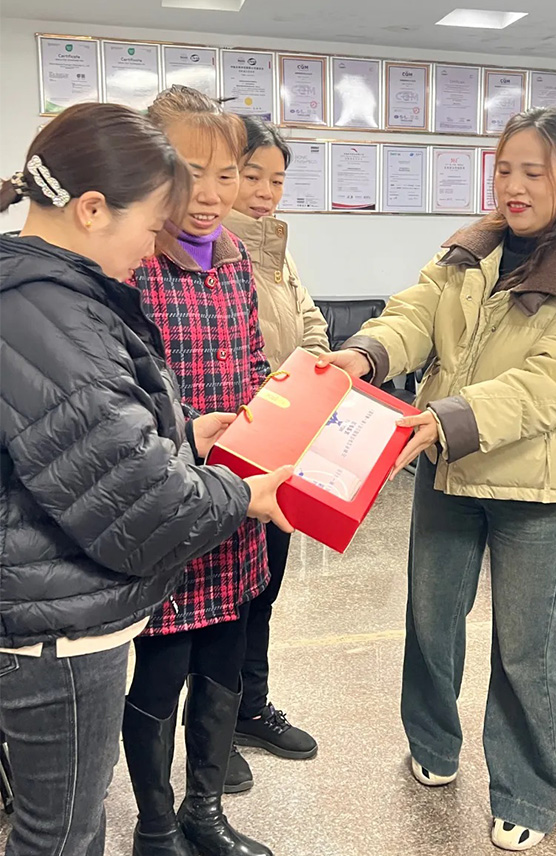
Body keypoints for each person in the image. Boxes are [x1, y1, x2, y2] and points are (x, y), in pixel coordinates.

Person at [318, 107, 556, 851]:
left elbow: (550, 385)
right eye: (504, 169)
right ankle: (432, 743)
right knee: (431, 619)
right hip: (449, 466)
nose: (514, 186)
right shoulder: (470, 250)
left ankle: (530, 791)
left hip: (532, 489)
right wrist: (365, 355)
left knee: (524, 647)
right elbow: (416, 314)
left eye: (533, 172)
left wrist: (444, 418)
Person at [0, 103, 291, 856]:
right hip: (59, 618)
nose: (155, 239)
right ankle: (158, 823)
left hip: (75, 579)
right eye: (153, 220)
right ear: (94, 209)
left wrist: (187, 432)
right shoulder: (51, 309)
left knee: (67, 821)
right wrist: (245, 494)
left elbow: (93, 430)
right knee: (61, 833)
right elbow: (134, 489)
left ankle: (201, 810)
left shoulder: (48, 291)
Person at [124, 86, 275, 856]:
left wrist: (279, 421)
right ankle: (155, 828)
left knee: (223, 665)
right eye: (192, 172)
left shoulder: (237, 261)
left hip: (236, 501)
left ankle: (204, 813)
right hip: (166, 505)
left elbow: (253, 362)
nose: (213, 194)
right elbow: (115, 395)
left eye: (227, 173)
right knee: (160, 669)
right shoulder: (134, 266)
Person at [222, 117, 327, 791]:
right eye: (250, 176)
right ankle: (207, 725)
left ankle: (248, 708)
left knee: (262, 588)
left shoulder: (276, 250)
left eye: (277, 180)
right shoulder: (212, 249)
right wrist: (282, 389)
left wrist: (304, 377)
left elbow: (311, 323)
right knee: (219, 598)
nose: (264, 192)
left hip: (285, 445)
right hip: (233, 447)